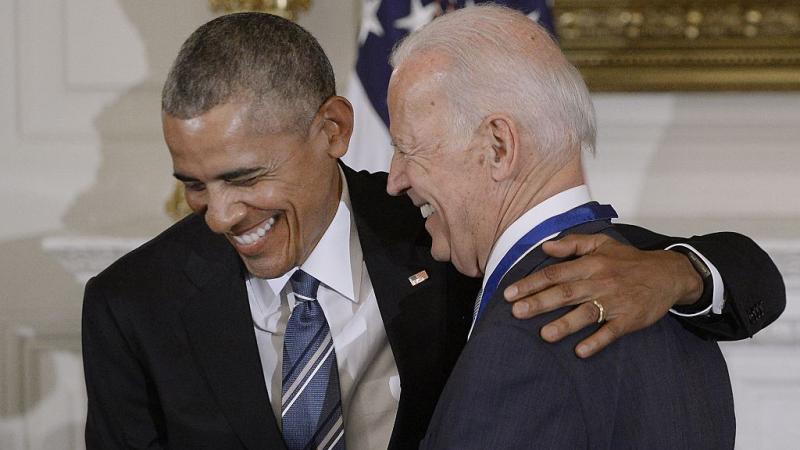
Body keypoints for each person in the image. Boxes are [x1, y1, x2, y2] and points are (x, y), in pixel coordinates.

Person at [81, 12, 783, 450]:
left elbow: (744, 272)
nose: (220, 215)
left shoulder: (444, 235)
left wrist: (679, 272)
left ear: (333, 129)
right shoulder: (132, 304)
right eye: (194, 185)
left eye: (244, 177)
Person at [385, 5, 745, 448]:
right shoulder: (679, 312)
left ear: (499, 146)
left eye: (408, 149)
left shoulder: (523, 341)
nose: (394, 180)